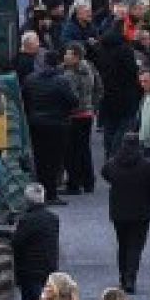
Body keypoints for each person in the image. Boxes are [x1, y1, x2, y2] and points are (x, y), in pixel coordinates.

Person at [102, 134, 150, 293]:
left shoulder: (112, 163)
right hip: (141, 212)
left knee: (122, 244)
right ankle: (131, 278)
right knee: (135, 246)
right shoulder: (148, 166)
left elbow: (105, 173)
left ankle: (123, 276)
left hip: (118, 211)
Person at [23, 51, 79, 203]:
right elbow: (73, 101)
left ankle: (39, 193)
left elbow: (24, 100)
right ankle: (52, 194)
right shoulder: (62, 81)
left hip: (36, 124)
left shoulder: (30, 80)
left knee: (40, 159)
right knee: (55, 160)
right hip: (57, 125)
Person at [12, 183, 59, 300]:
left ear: (27, 200)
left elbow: (17, 243)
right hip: (48, 268)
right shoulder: (53, 219)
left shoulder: (27, 220)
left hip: (29, 270)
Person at [94, 21, 142, 161]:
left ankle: (109, 157)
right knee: (123, 129)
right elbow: (132, 73)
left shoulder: (101, 47)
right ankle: (116, 157)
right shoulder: (125, 50)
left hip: (107, 95)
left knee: (109, 128)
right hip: (125, 96)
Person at [62, 43, 101, 194]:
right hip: (87, 114)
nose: (65, 56)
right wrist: (93, 106)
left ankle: (74, 183)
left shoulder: (69, 73)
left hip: (74, 115)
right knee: (84, 149)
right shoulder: (90, 68)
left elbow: (69, 96)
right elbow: (99, 88)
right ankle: (88, 181)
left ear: (77, 57)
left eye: (68, 54)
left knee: (72, 151)